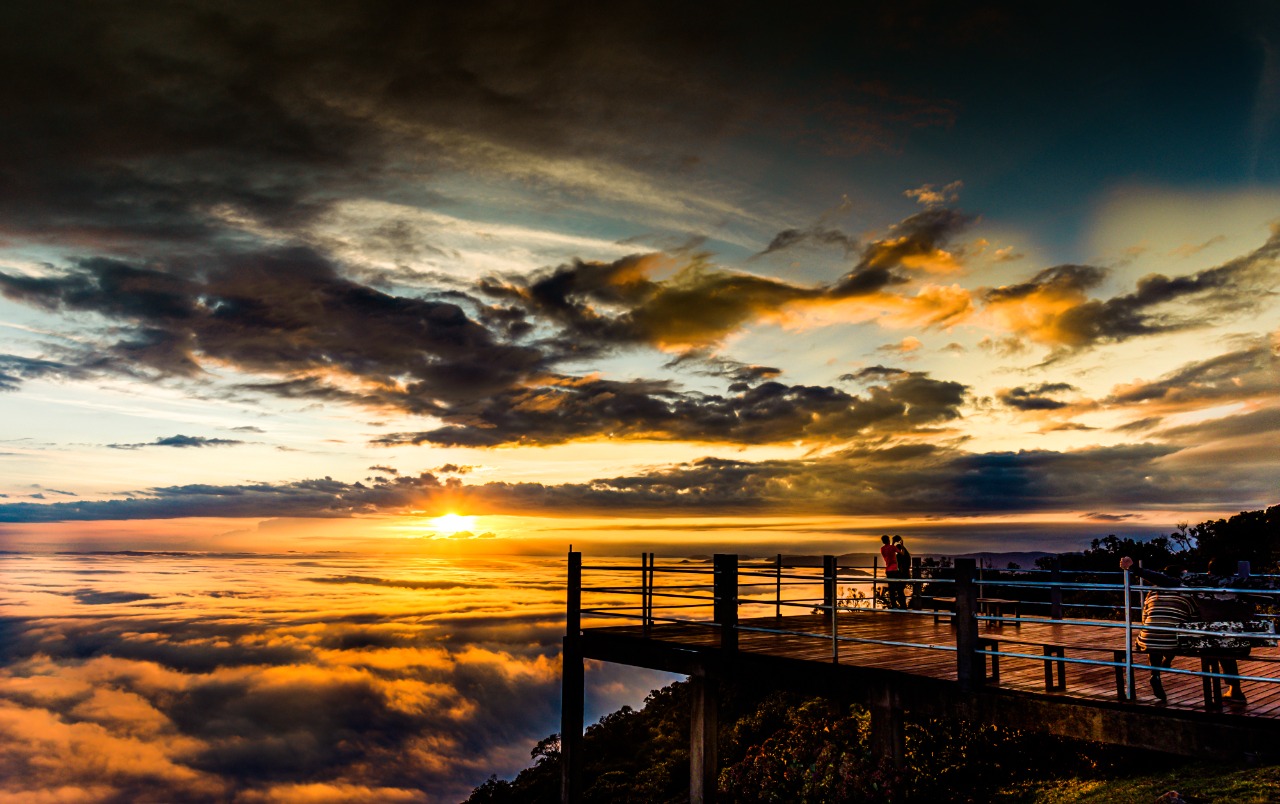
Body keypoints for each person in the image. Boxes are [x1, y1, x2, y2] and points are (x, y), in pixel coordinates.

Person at [1119, 556, 1194, 702]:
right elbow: (1191, 617)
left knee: (1154, 635)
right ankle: (1168, 658)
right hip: (1173, 640)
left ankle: (1155, 674)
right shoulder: (1186, 591)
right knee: (1173, 634)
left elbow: (1145, 614)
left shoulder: (1152, 592)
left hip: (1149, 638)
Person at [879, 535, 900, 609]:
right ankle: (897, 605)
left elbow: (890, 550)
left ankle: (894, 605)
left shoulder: (882, 549)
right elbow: (900, 552)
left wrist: (893, 543)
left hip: (888, 570)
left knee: (892, 588)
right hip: (894, 569)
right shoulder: (892, 548)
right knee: (898, 587)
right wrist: (902, 545)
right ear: (888, 540)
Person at [891, 535, 911, 609]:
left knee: (899, 590)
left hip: (902, 574)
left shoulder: (899, 556)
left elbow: (892, 552)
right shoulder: (906, 556)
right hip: (906, 574)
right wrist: (902, 545)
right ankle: (903, 605)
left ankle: (903, 606)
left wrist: (893, 543)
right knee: (900, 590)